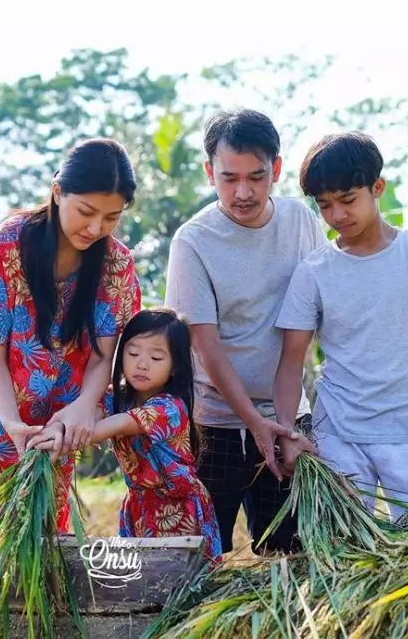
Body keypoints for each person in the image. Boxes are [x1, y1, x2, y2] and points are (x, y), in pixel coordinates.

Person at [0, 137, 143, 537]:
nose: (96, 228)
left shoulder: (116, 263)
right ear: (57, 191)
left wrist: (84, 406)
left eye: (112, 217)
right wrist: (11, 424)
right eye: (86, 212)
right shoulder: (9, 243)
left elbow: (104, 356)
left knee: (39, 534)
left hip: (56, 416)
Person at [273, 131, 408, 521]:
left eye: (348, 200)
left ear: (377, 188)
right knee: (342, 558)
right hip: (338, 436)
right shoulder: (313, 272)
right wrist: (288, 433)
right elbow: (291, 360)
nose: (337, 216)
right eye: (325, 205)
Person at [164, 108, 325, 555]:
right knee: (197, 557)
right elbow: (205, 343)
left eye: (256, 177)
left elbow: (319, 314)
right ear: (208, 172)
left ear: (276, 168)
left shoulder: (302, 222)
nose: (243, 192)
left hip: (288, 416)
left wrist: (284, 422)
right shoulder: (192, 241)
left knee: (290, 554)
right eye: (228, 177)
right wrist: (251, 420)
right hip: (213, 423)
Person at [32, 308, 223, 563]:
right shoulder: (116, 396)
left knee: (181, 583)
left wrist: (60, 441)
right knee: (140, 583)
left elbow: (116, 425)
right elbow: (88, 415)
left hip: (179, 507)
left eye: (156, 357)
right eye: (133, 353)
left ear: (175, 366)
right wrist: (57, 429)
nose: (141, 364)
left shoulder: (169, 408)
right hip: (139, 506)